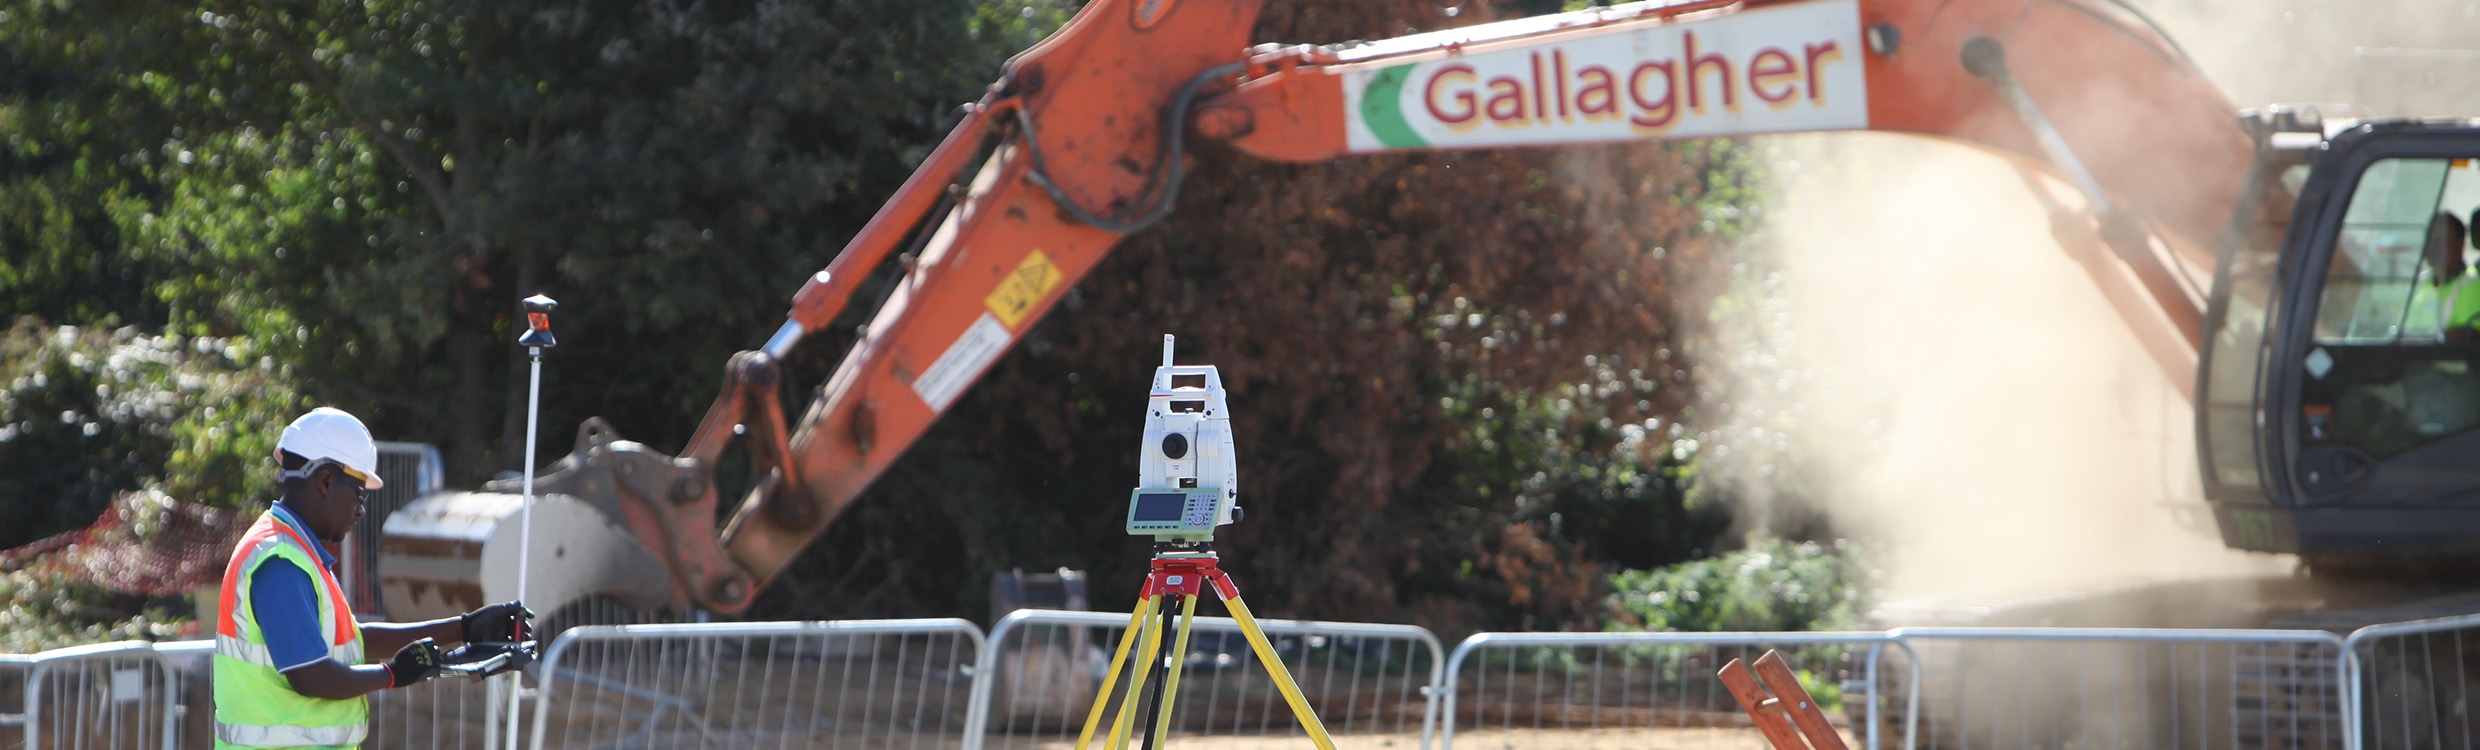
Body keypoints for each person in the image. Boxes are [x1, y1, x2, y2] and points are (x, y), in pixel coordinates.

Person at [213, 407, 533, 749]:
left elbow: (354, 640)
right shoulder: (280, 562)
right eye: (359, 494)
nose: (361, 509)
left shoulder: (295, 552)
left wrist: (464, 629)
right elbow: (311, 676)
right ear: (325, 481)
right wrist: (394, 673)